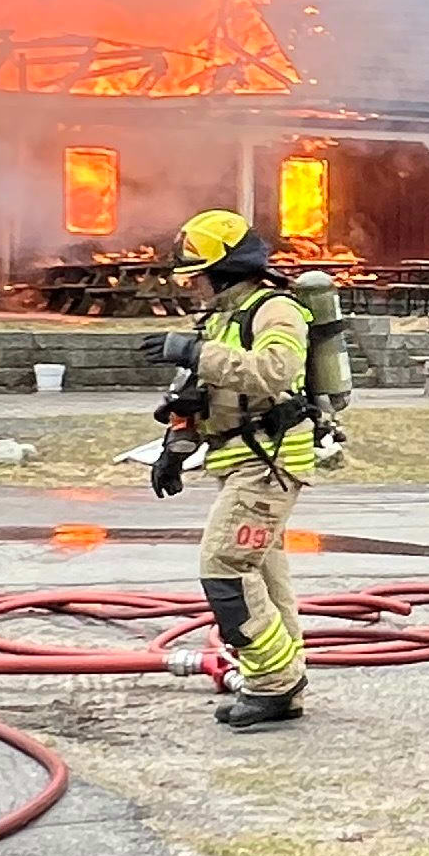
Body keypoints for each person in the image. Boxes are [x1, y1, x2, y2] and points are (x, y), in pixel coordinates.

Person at [167, 208, 318, 731]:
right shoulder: (221, 318)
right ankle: (280, 682)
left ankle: (274, 684)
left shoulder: (276, 311)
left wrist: (197, 353)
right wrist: (176, 443)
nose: (193, 289)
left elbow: (276, 373)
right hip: (237, 460)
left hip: (269, 462)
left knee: (226, 567)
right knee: (267, 578)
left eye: (198, 277)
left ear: (224, 270)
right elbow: (201, 394)